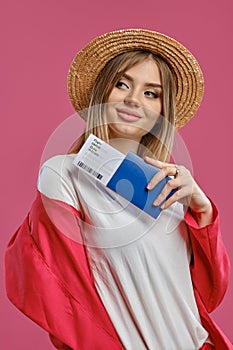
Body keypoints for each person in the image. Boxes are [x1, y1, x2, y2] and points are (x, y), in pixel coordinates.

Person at [5, 29, 232, 350]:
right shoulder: (64, 174)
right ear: (102, 93)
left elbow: (208, 294)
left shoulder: (169, 188)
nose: (133, 99)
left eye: (151, 93)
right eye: (122, 84)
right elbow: (58, 292)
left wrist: (203, 209)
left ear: (162, 112)